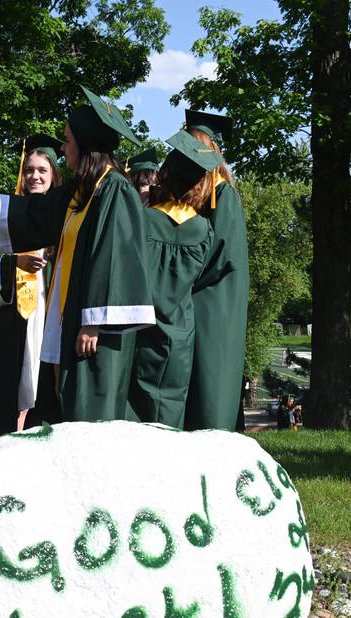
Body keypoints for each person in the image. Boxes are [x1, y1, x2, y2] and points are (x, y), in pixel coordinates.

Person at [0, 86, 155, 422]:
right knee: (66, 399)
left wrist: (94, 323)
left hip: (93, 327)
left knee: (91, 402)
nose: (63, 147)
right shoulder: (82, 191)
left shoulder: (114, 190)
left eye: (67, 140)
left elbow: (112, 258)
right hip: (71, 318)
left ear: (85, 143)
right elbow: (38, 211)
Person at [127, 131, 223, 428]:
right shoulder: (204, 230)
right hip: (181, 334)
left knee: (136, 417)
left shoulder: (142, 221)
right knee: (170, 415)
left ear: (164, 176)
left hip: (142, 330)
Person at [0, 134, 62, 435]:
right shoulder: (4, 215)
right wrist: (14, 262)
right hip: (11, 314)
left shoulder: (64, 214)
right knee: (9, 378)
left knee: (44, 378)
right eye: (29, 170)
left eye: (42, 170)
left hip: (50, 309)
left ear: (54, 173)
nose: (34, 176)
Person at [181, 109, 250, 431]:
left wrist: (178, 279)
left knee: (213, 373)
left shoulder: (224, 194)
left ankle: (218, 438)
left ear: (211, 151)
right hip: (199, 296)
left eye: (195, 145)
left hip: (215, 300)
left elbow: (221, 255)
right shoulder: (199, 195)